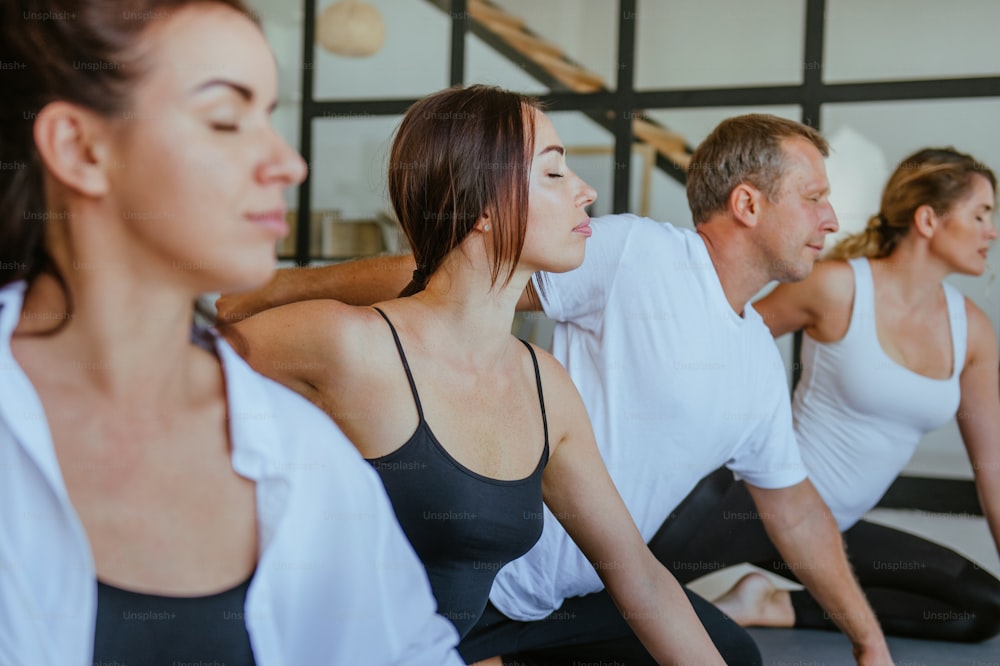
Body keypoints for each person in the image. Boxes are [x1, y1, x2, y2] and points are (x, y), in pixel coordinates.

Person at [218, 113, 896, 664]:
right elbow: (438, 273)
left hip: (559, 599)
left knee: (728, 653)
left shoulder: (552, 383)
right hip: (451, 607)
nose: (831, 220)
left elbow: (746, 530)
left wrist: (868, 641)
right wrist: (270, 290)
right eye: (814, 198)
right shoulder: (640, 254)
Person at [0, 2, 464, 664]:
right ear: (79, 148)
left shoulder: (299, 452)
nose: (288, 163)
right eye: (225, 120)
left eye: (270, 116)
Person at [711, 147, 1000, 642]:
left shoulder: (970, 329)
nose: (991, 232)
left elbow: (993, 464)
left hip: (831, 531)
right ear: (928, 219)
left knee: (983, 608)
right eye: (981, 215)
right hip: (759, 507)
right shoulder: (836, 288)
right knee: (615, 589)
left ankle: (772, 602)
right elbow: (722, 344)